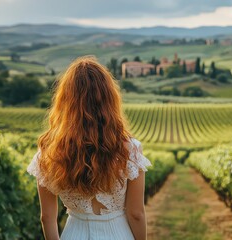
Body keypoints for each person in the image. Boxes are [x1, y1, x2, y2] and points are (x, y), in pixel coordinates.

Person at [27, 55, 151, 240]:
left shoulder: (49, 151)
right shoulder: (129, 149)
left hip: (73, 233)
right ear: (109, 100)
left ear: (65, 101)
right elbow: (136, 214)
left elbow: (47, 218)